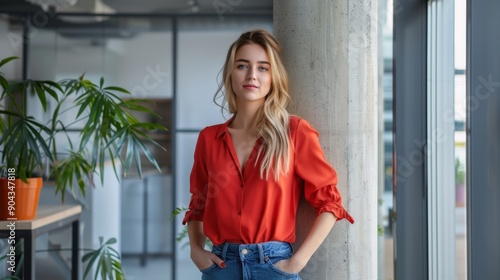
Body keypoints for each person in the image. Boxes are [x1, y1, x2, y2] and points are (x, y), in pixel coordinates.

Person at [182, 29, 354, 280]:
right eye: (243, 66)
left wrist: (297, 262)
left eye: (263, 68)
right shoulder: (209, 138)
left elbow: (330, 203)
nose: (252, 75)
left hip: (273, 266)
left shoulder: (295, 132)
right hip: (221, 267)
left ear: (274, 77)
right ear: (231, 72)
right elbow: (198, 203)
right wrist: (196, 250)